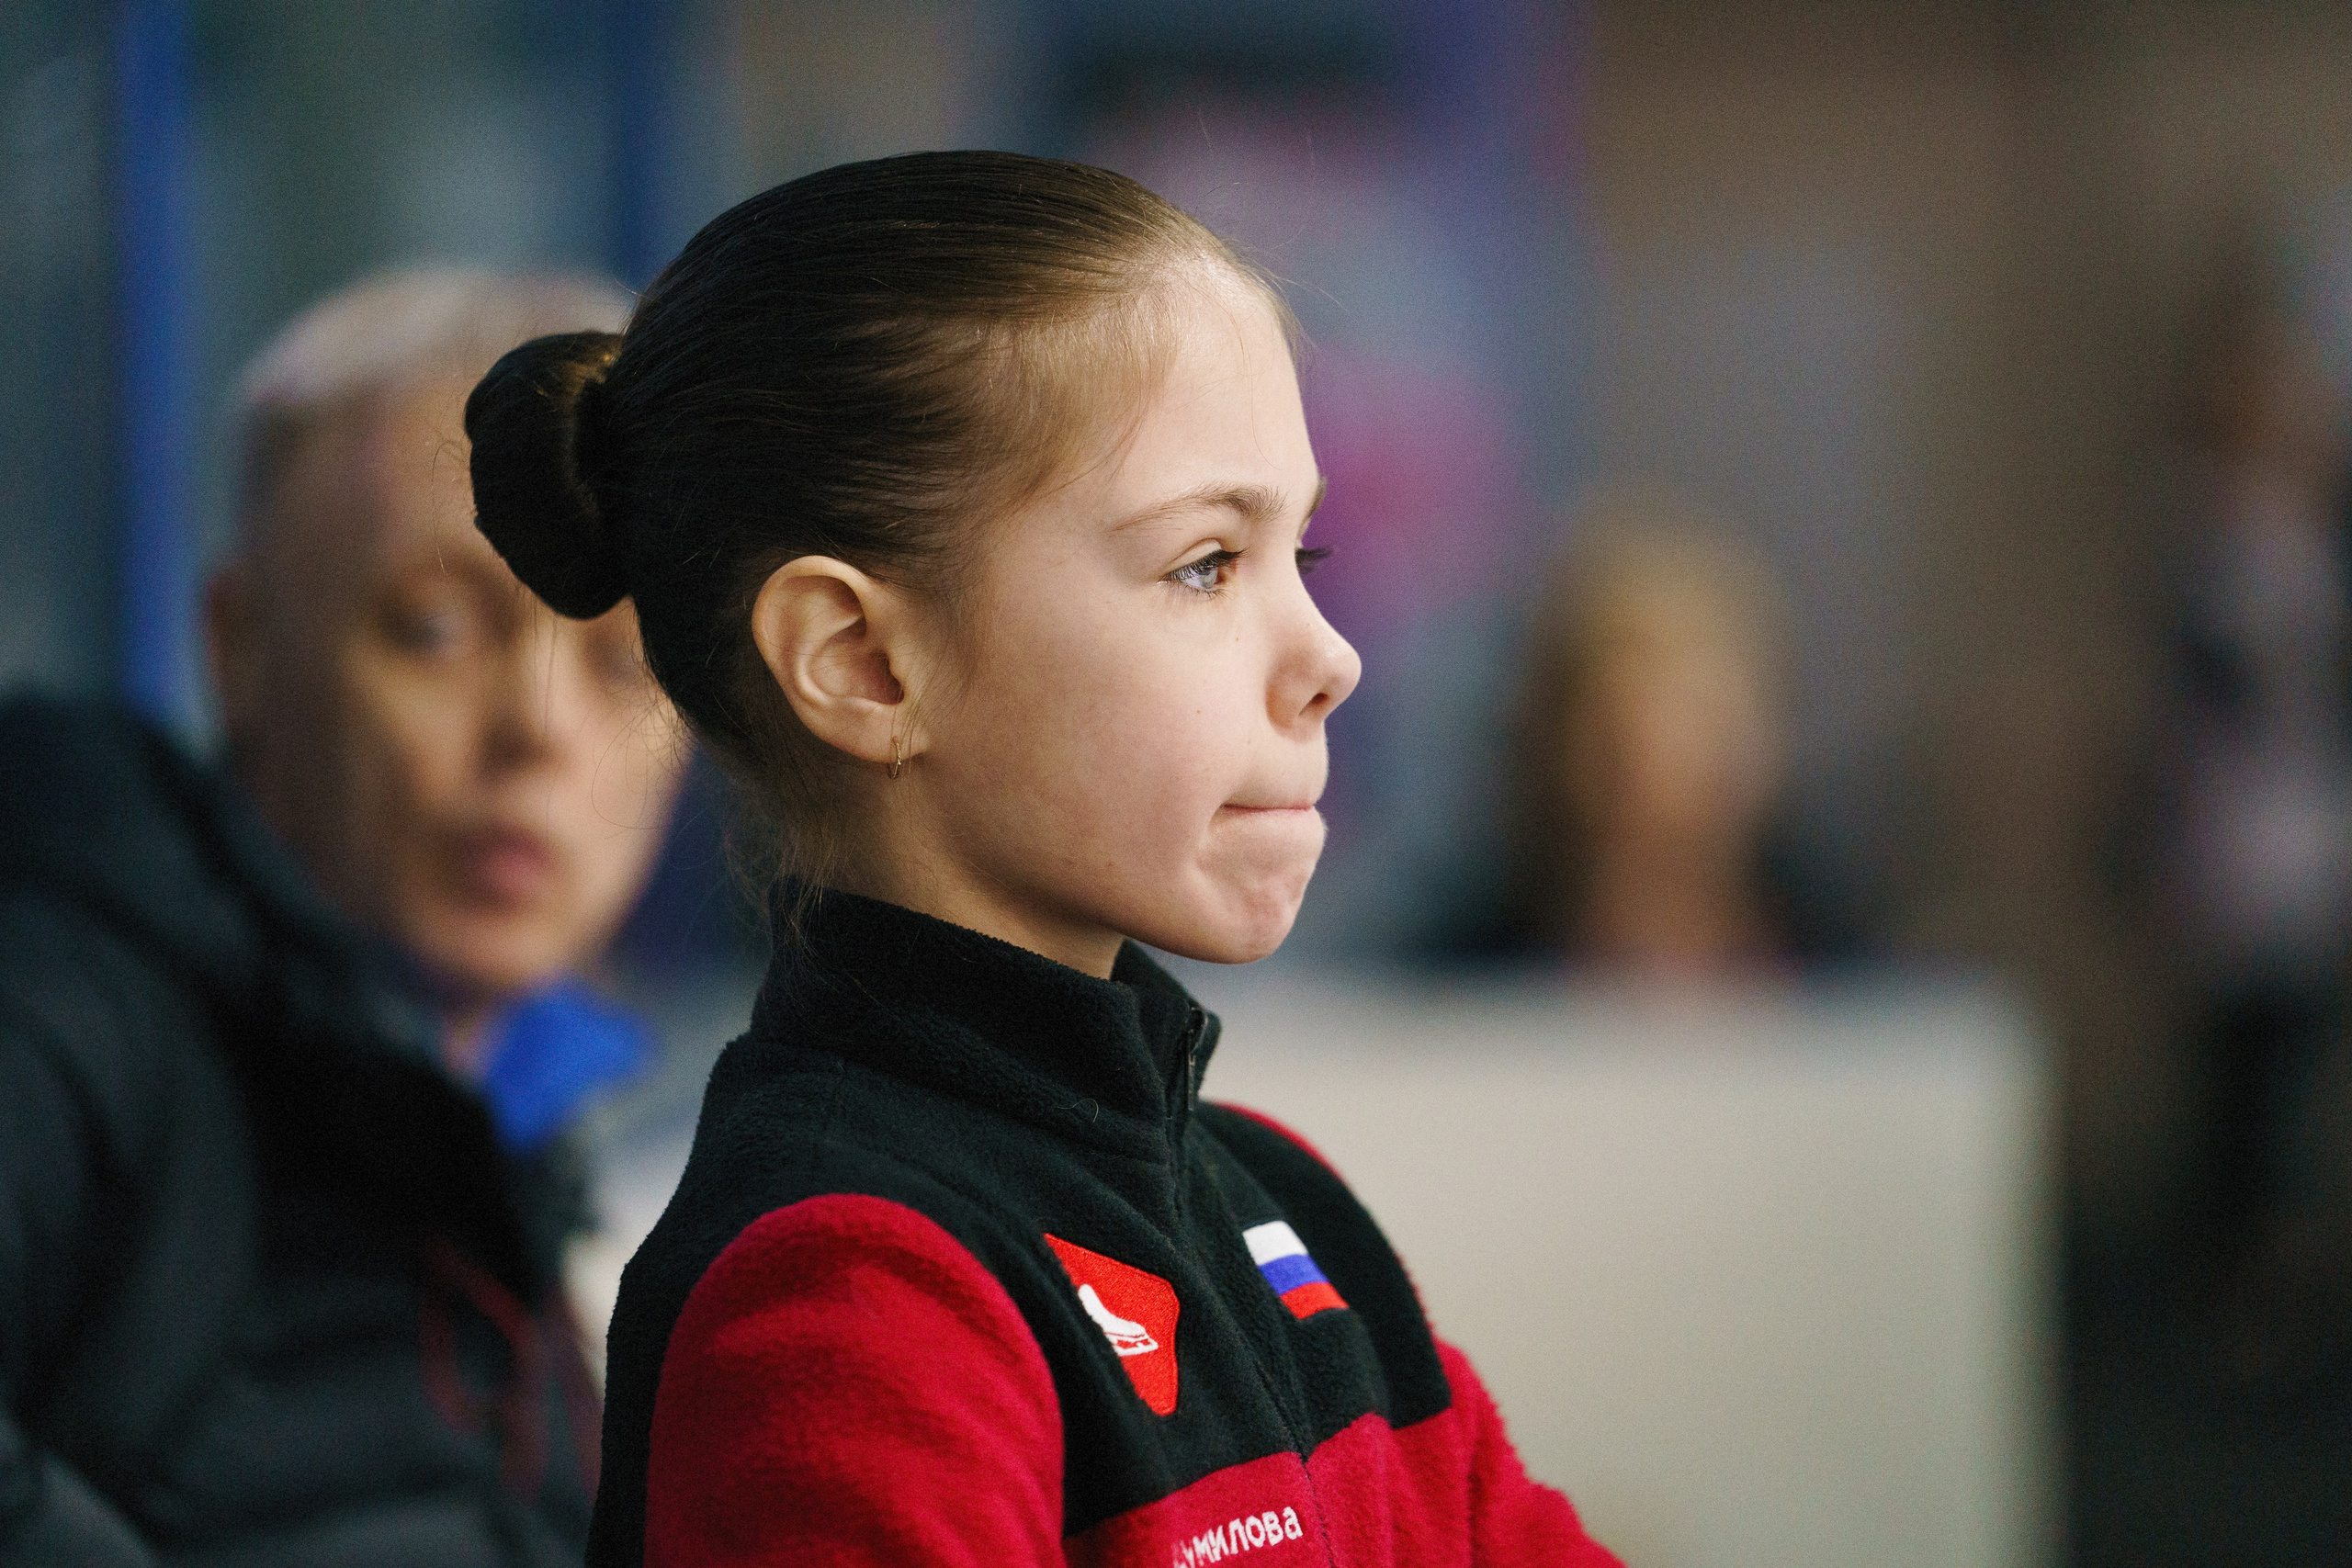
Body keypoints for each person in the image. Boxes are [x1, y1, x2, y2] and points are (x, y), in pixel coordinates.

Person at [463, 152, 1621, 1565]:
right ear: (867, 663)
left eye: (1300, 553)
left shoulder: (1280, 1204)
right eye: (1206, 562)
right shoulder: (847, 1296)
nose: (1329, 657)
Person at [0, 270, 687, 1563]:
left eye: (626, 661)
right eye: (432, 628)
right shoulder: (72, 1007)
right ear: (242, 644)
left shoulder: (499, 1123)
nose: (538, 728)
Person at [1482, 507, 1860, 978]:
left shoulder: (1850, 970)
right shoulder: (1470, 975)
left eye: (1719, 712)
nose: (1697, 751)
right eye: (1649, 712)